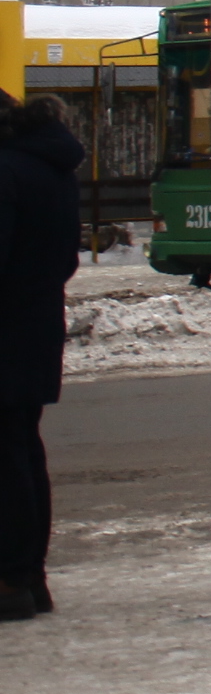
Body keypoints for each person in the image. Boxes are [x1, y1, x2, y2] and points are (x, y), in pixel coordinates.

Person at [0, 98, 85, 622]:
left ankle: (10, 579)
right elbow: (65, 257)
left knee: (8, 460)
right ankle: (29, 575)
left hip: (6, 331)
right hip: (34, 331)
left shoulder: (6, 172)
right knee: (21, 451)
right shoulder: (48, 168)